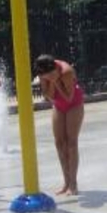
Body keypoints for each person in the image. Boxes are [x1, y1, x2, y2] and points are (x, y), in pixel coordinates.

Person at [34, 54, 85, 196]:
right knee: (59, 143)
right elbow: (47, 96)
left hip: (74, 104)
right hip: (58, 105)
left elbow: (69, 98)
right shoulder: (44, 73)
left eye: (50, 74)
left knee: (71, 142)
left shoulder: (66, 71)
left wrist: (56, 82)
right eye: (44, 76)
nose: (47, 77)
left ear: (55, 68)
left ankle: (73, 184)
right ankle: (66, 181)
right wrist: (51, 81)